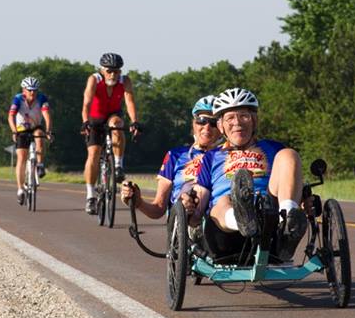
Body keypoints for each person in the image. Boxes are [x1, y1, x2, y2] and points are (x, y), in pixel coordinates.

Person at [190, 87, 307, 261]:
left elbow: (290, 182)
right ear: (221, 125)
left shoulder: (274, 148)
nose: (237, 122)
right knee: (224, 200)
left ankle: (287, 226)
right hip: (225, 236)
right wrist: (189, 208)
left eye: (243, 115)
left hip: (270, 225)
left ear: (254, 121)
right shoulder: (211, 157)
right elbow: (197, 208)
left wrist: (304, 202)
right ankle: (241, 218)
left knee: (289, 154)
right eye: (230, 117)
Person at [121, 95, 219, 218]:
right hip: (181, 221)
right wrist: (138, 202)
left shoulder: (227, 155)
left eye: (213, 122)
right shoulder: (176, 155)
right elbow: (158, 209)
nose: (207, 127)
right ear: (193, 124)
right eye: (201, 120)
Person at [81, 52, 141, 215]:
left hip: (112, 115)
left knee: (117, 125)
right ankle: (91, 195)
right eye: (109, 71)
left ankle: (118, 164)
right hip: (95, 118)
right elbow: (86, 102)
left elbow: (129, 102)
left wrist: (134, 121)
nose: (113, 74)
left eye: (116, 71)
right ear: (102, 70)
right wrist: (85, 121)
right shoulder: (94, 80)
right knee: (93, 153)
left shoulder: (125, 81)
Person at [8, 77, 53, 205]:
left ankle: (40, 165)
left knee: (39, 134)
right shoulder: (17, 99)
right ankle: (20, 189)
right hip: (21, 129)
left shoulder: (41, 98)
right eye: (29, 90)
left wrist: (49, 131)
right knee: (21, 158)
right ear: (24, 90)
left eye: (35, 90)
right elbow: (11, 116)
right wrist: (14, 131)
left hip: (35, 126)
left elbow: (47, 115)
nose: (32, 93)